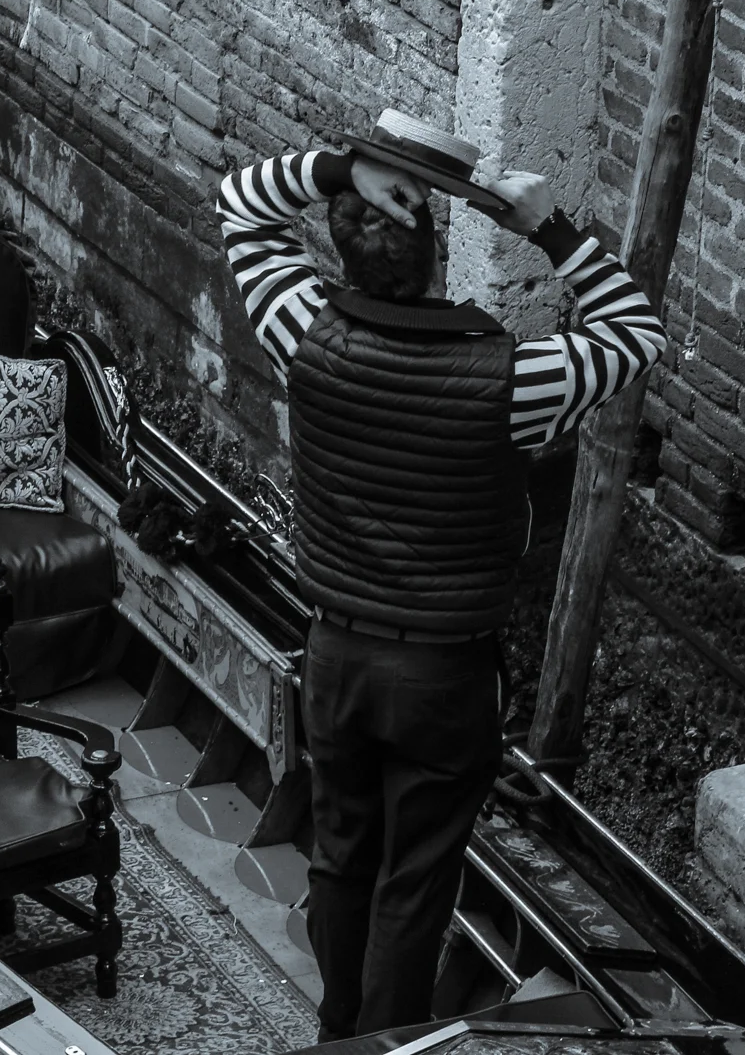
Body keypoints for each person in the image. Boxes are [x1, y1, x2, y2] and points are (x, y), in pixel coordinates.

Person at [215, 111, 666, 1040]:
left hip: (335, 655)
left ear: (338, 249)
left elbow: (242, 206)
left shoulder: (300, 328)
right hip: (447, 678)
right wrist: (547, 226)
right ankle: (384, 1046)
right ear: (432, 254)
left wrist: (349, 165)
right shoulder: (515, 380)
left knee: (341, 858)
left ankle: (339, 1033)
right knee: (413, 885)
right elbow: (635, 331)